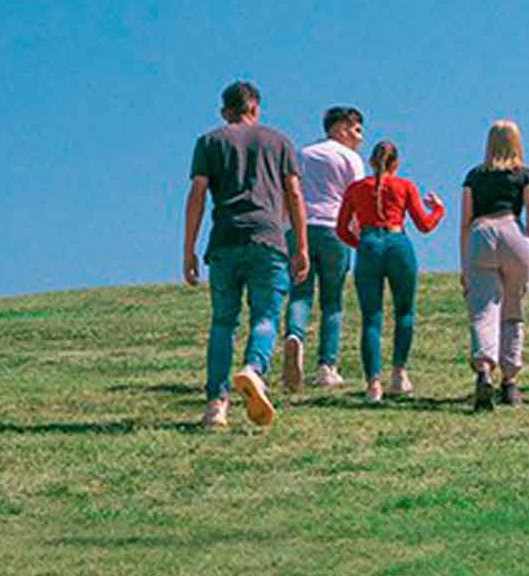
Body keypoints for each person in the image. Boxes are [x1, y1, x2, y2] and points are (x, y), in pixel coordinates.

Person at [182, 81, 309, 429]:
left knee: (223, 322)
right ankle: (253, 369)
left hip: (224, 239)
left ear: (226, 111)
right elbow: (294, 194)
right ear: (255, 108)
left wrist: (188, 250)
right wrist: (300, 246)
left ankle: (215, 405)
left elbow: (197, 194)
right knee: (266, 315)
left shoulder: (209, 141)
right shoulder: (280, 141)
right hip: (268, 239)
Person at [334, 140, 444, 402]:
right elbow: (425, 225)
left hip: (369, 244)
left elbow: (341, 229)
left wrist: (360, 244)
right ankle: (398, 374)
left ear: (371, 162)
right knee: (404, 310)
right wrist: (438, 209)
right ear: (396, 163)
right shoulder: (404, 186)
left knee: (371, 317)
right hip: (398, 243)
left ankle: (373, 383)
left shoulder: (356, 188)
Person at [280, 105, 365, 392]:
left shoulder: (302, 154)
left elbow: (289, 192)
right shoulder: (350, 158)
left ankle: (295, 337)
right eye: (356, 130)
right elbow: (356, 199)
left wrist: (286, 231)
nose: (360, 137)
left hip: (300, 228)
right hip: (334, 228)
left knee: (300, 293)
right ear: (340, 127)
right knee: (332, 301)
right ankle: (327, 367)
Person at [459, 120, 529, 411]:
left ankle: (483, 370)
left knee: (483, 309)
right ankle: (510, 381)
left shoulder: (474, 175)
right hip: (513, 232)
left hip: (481, 234)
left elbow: (465, 221)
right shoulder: (525, 174)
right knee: (513, 309)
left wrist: (464, 264)